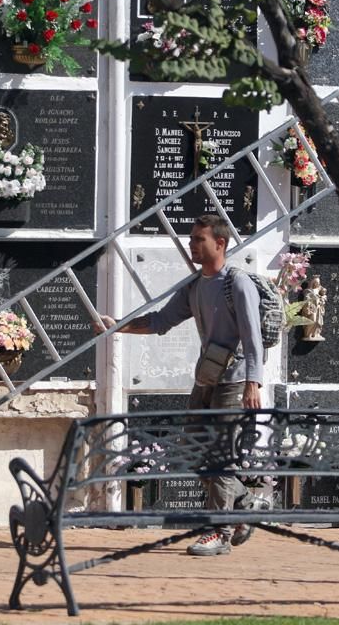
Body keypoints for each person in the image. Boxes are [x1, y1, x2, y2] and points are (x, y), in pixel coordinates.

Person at [100, 214, 269, 556]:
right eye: (192, 239)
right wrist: (118, 325)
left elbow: (253, 338)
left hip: (234, 382)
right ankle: (246, 500)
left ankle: (219, 532)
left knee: (221, 453)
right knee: (195, 449)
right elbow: (161, 320)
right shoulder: (194, 286)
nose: (192, 245)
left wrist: (254, 383)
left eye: (198, 239)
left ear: (220, 243)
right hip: (206, 378)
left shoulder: (237, 283)